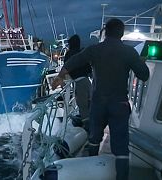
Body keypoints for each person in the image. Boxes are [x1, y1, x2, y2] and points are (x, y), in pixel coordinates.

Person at [51, 18, 149, 180]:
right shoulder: (129, 52)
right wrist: (140, 63)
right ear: (121, 33)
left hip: (98, 104)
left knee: (94, 139)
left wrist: (60, 76)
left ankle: (91, 171)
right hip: (119, 104)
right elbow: (144, 75)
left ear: (105, 32)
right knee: (121, 148)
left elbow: (74, 61)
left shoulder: (94, 49)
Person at [64, 34, 92, 131]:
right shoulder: (82, 53)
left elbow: (66, 69)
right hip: (87, 82)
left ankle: (88, 130)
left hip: (79, 82)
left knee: (82, 105)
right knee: (89, 103)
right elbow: (89, 68)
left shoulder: (69, 55)